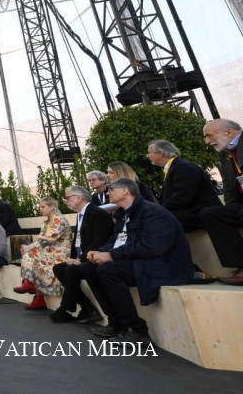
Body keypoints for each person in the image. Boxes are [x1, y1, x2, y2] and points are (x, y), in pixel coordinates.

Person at [82, 178, 193, 343]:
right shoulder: (122, 215)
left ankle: (137, 329)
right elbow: (116, 241)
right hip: (140, 261)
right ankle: (116, 322)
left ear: (125, 190)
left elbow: (152, 247)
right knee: (88, 268)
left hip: (163, 265)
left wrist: (112, 255)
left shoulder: (152, 212)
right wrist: (100, 252)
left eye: (111, 189)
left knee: (108, 270)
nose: (107, 192)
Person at [50, 186, 113, 323]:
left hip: (94, 257)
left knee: (71, 270)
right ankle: (87, 308)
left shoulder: (97, 213)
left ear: (79, 198)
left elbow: (100, 240)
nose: (66, 201)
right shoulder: (80, 214)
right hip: (82, 258)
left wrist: (80, 259)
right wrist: (73, 258)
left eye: (68, 198)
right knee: (59, 268)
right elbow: (78, 240)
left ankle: (67, 308)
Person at [200, 119, 243, 285]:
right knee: (210, 214)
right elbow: (229, 186)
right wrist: (232, 210)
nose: (207, 141)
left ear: (229, 132)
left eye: (209, 135)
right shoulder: (225, 152)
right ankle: (240, 265)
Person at [147, 140, 221, 232]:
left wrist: (160, 210)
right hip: (191, 213)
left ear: (160, 153)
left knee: (155, 223)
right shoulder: (177, 166)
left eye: (149, 152)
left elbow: (183, 197)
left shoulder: (183, 167)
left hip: (199, 215)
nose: (148, 156)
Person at [13, 197, 72, 310]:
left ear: (52, 207)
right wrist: (28, 248)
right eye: (40, 207)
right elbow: (40, 241)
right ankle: (37, 296)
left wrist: (29, 247)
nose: (41, 209)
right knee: (31, 256)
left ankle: (30, 285)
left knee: (30, 255)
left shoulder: (59, 220)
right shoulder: (46, 223)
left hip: (58, 255)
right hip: (48, 253)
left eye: (43, 207)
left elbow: (47, 239)